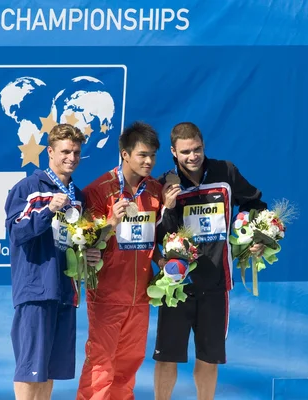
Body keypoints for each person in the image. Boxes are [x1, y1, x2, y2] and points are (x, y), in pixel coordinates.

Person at [153, 122, 268, 400]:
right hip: (177, 286)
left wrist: (257, 235)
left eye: (197, 149)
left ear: (203, 145)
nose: (193, 156)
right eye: (185, 152)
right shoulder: (165, 184)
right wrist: (167, 208)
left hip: (216, 283)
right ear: (173, 152)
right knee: (167, 357)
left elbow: (255, 204)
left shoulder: (225, 172)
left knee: (209, 358)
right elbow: (155, 235)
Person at [5, 124, 102, 400]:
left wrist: (88, 255)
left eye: (76, 152)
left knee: (48, 369)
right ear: (49, 151)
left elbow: (74, 242)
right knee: (29, 368)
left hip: (64, 291)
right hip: (36, 289)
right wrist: (48, 210)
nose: (71, 158)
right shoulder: (29, 188)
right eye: (65, 151)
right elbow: (16, 232)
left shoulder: (77, 196)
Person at [76, 121, 164, 400]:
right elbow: (85, 244)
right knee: (101, 366)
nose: (149, 161)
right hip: (107, 295)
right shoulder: (98, 191)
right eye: (142, 155)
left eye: (152, 155)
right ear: (125, 154)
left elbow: (155, 238)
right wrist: (111, 222)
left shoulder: (156, 191)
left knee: (129, 367)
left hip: (140, 296)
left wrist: (163, 261)